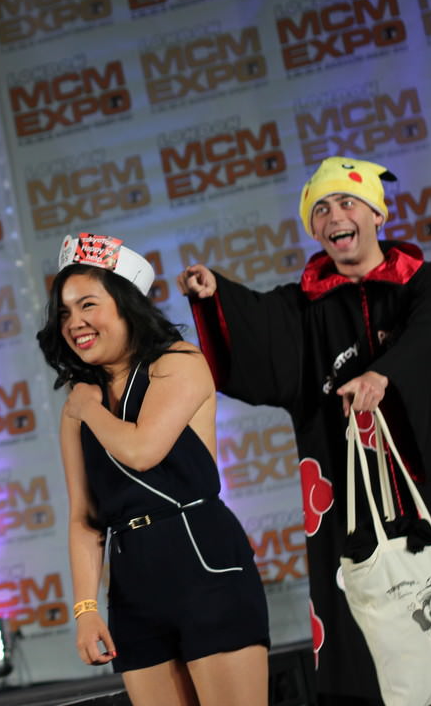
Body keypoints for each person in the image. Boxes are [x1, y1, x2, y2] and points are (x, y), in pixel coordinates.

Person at [177, 155, 431, 705]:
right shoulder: (303, 310)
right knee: (367, 641)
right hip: (352, 502)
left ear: (377, 214)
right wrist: (214, 296)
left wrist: (384, 375)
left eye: (347, 202)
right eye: (320, 209)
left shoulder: (427, 284)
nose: (334, 215)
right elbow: (258, 337)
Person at [39, 233, 269, 706]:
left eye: (87, 305)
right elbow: (84, 519)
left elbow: (143, 449)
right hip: (132, 588)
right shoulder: (78, 404)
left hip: (205, 567)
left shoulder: (178, 363)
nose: (74, 323)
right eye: (64, 312)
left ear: (127, 305)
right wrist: (85, 608)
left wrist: (89, 409)